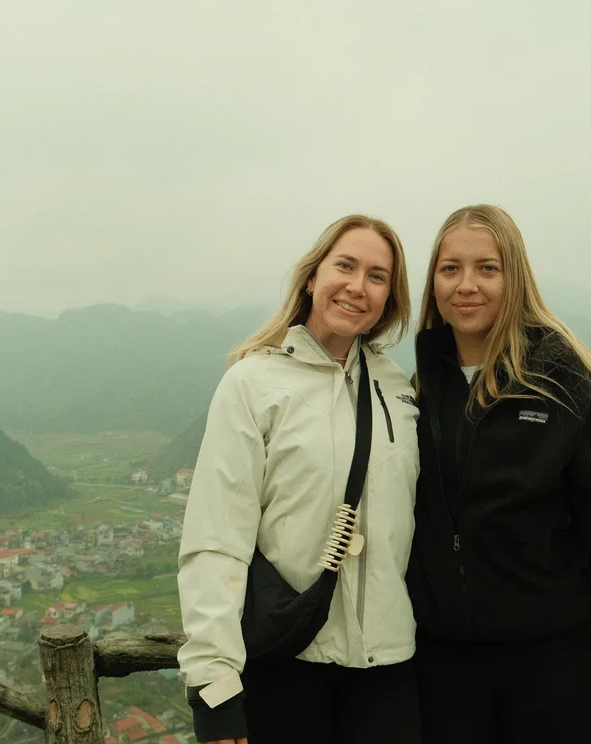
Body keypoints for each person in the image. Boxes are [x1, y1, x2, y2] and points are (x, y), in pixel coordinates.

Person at [409, 204, 591, 743]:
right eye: (450, 269)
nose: (467, 285)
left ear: (515, 277)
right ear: (433, 282)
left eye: (487, 268)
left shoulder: (565, 385)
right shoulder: (416, 388)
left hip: (548, 666)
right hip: (439, 666)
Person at [177, 215, 422, 744]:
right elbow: (216, 541)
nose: (358, 286)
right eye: (346, 266)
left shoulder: (397, 388)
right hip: (288, 660)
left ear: (389, 300)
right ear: (312, 277)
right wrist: (215, 688)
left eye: (377, 276)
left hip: (390, 668)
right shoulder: (253, 383)